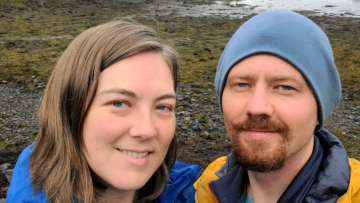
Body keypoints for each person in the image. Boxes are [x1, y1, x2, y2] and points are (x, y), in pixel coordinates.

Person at [6, 20, 201, 203]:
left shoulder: (202, 190)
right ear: (68, 110)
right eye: (119, 103)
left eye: (162, 107)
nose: (147, 130)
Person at [193, 9, 360, 203]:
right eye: (242, 84)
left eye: (285, 87)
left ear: (319, 110)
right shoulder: (208, 185)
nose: (257, 107)